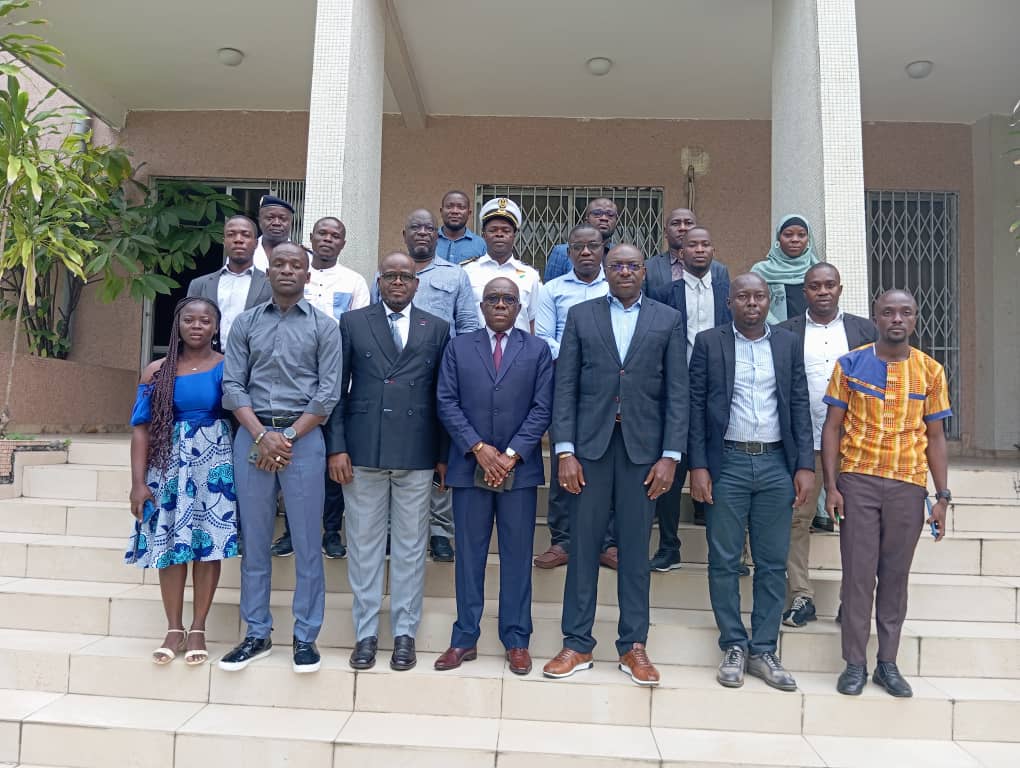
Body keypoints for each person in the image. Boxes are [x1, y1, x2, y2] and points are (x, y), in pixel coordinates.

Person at [543, 244, 688, 687]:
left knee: (633, 551)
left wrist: (671, 457)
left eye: (632, 265)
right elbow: (564, 386)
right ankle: (577, 643)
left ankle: (633, 646)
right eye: (616, 266)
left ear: (645, 272)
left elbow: (677, 393)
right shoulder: (584, 316)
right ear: (605, 271)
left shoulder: (667, 319)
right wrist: (564, 451)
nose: (624, 271)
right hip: (588, 450)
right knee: (583, 544)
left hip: (644, 453)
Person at [325, 252, 451, 673]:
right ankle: (365, 633)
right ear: (378, 281)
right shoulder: (354, 322)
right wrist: (336, 447)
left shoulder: (438, 328)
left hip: (416, 451)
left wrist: (442, 456)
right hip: (363, 450)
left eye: (406, 276)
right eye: (390, 276)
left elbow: (443, 398)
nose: (398, 282)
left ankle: (404, 634)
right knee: (363, 547)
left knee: (412, 548)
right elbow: (338, 389)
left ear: (417, 283)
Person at [219, 242, 341, 674]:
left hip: (302, 439)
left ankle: (305, 636)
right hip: (252, 437)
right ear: (267, 272)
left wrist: (285, 437)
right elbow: (233, 385)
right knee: (254, 541)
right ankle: (256, 632)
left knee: (308, 543)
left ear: (309, 276)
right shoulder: (245, 324)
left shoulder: (325, 328)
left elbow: (328, 393)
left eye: (297, 266)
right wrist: (261, 436)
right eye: (280, 264)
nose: (287, 270)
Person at [688, 273, 814, 692]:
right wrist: (699, 466)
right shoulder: (710, 343)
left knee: (772, 562)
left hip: (777, 463)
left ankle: (763, 648)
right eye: (743, 296)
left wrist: (804, 465)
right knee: (724, 559)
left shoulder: (787, 343)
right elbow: (695, 405)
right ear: (730, 302)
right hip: (728, 462)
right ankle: (733, 645)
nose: (752, 303)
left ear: (768, 301)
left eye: (759, 296)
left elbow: (798, 403)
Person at [823, 289, 951, 698]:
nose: (897, 318)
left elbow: (935, 436)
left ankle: (888, 664)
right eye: (888, 312)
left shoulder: (931, 372)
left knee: (895, 578)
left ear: (915, 320)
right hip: (857, 482)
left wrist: (942, 496)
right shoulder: (850, 364)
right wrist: (831, 486)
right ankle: (854, 664)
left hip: (908, 486)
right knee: (858, 576)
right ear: (875, 318)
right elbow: (832, 427)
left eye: (906, 312)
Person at [434, 277, 553, 675]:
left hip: (519, 471)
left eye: (509, 299)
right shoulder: (458, 346)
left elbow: (542, 408)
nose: (501, 304)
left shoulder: (536, 350)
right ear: (481, 306)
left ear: (519, 308)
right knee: (469, 556)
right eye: (493, 298)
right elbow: (446, 402)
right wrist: (480, 449)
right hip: (470, 468)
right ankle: (464, 637)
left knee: (518, 557)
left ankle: (517, 639)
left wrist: (511, 454)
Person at [127, 297, 238, 666]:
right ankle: (173, 628)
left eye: (205, 320)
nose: (197, 326)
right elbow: (141, 429)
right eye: (189, 320)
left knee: (207, 547)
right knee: (171, 547)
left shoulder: (228, 367)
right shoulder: (156, 371)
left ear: (216, 328)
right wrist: (138, 483)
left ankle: (199, 627)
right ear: (177, 325)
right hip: (167, 466)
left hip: (214, 465)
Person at [371, 209, 479, 564]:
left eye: (428, 228)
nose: (422, 232)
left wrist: (461, 374)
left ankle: (439, 531)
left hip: (440, 378)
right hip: (395, 378)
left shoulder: (456, 275)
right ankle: (388, 528)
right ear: (404, 233)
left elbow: (466, 326)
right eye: (415, 227)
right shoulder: (385, 273)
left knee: (438, 456)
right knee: (393, 453)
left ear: (438, 235)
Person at [778, 263, 876, 628]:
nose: (822, 291)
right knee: (796, 519)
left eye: (829, 285)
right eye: (814, 286)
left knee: (859, 523)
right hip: (806, 442)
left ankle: (852, 600)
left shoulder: (864, 330)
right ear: (804, 291)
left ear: (840, 289)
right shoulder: (786, 332)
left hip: (855, 443)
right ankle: (801, 597)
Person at [271, 215, 369, 561]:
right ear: (310, 238)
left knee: (333, 461)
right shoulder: (294, 275)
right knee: (290, 463)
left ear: (344, 243)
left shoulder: (355, 282)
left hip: (337, 387)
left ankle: (330, 532)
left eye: (336, 235)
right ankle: (292, 533)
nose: (328, 239)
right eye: (322, 234)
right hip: (294, 389)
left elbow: (358, 332)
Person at [651, 225, 733, 570]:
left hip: (718, 392)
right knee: (672, 470)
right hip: (676, 392)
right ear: (680, 253)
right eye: (691, 245)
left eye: (705, 244)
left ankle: (723, 551)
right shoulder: (665, 293)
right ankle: (670, 546)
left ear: (713, 251)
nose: (699, 250)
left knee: (720, 471)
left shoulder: (729, 292)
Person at [533, 224, 615, 570]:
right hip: (565, 383)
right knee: (564, 457)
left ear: (602, 251)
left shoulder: (616, 288)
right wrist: (580, 357)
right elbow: (545, 337)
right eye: (578, 247)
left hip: (610, 388)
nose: (585, 252)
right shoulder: (551, 289)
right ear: (568, 254)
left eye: (592, 246)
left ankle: (608, 542)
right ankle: (562, 539)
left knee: (609, 461)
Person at [187, 215, 272, 350]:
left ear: (256, 243)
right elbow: (187, 326)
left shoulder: (270, 284)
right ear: (224, 241)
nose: (238, 240)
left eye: (245, 235)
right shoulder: (200, 285)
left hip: (252, 363)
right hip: (208, 362)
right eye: (231, 234)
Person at [462, 198, 541, 333]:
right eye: (493, 230)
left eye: (506, 230)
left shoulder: (530, 275)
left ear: (514, 235)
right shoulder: (467, 271)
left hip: (519, 350)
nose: (499, 234)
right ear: (484, 235)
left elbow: (535, 320)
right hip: (475, 349)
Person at [644, 208, 729, 305]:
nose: (682, 228)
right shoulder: (649, 267)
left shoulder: (718, 270)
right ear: (665, 232)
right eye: (675, 224)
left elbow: (725, 307)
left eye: (688, 223)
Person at [751, 214, 819, 325]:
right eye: (788, 235)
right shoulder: (761, 271)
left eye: (801, 235)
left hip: (813, 334)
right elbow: (754, 304)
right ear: (778, 238)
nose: (795, 240)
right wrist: (781, 329)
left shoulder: (817, 270)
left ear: (808, 240)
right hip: (775, 335)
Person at [544, 198, 620, 282]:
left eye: (610, 214)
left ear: (616, 222)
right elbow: (550, 286)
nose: (604, 218)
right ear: (586, 220)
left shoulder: (619, 254)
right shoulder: (562, 252)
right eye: (597, 213)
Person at [436, 190, 487, 264]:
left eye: (461, 207)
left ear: (469, 213)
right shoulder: (429, 241)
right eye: (449, 207)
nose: (455, 211)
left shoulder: (481, 244)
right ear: (441, 211)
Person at [252, 194, 294, 272]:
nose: (276, 223)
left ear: (291, 222)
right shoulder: (246, 252)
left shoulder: (303, 255)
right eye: (270, 218)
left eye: (283, 219)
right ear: (260, 221)